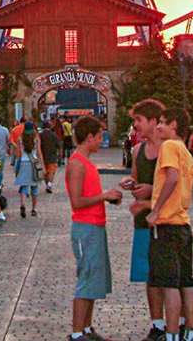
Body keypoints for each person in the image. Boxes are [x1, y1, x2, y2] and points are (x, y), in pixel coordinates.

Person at [65, 115, 122, 341]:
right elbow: (77, 202)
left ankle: (87, 329)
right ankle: (77, 333)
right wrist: (104, 196)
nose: (101, 140)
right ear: (88, 137)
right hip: (85, 227)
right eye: (99, 137)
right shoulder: (77, 164)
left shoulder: (86, 162)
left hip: (95, 225)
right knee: (87, 278)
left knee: (94, 280)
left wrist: (107, 198)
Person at [148, 107, 193, 341]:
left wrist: (155, 210)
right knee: (186, 282)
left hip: (167, 224)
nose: (158, 126)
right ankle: (190, 331)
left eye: (162, 122)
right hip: (183, 224)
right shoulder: (187, 153)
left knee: (169, 284)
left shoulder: (168, 146)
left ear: (174, 125)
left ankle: (171, 334)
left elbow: (172, 177)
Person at [125, 100, 168, 341]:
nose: (135, 126)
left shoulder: (169, 148)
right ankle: (157, 324)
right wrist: (131, 186)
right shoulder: (137, 151)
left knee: (169, 276)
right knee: (150, 277)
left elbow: (176, 186)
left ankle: (178, 323)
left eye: (139, 120)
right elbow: (135, 179)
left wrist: (150, 191)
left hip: (165, 220)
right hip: (142, 222)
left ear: (152, 121)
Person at [14, 121, 42, 217]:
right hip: (34, 164)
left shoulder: (20, 139)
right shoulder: (36, 139)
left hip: (24, 163)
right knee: (35, 187)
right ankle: (34, 209)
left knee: (24, 186)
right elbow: (38, 153)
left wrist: (16, 167)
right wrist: (43, 166)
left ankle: (23, 204)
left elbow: (17, 154)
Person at [40, 119, 62, 194]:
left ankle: (47, 185)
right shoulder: (53, 135)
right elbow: (59, 145)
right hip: (52, 155)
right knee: (51, 172)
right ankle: (49, 185)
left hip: (43, 156)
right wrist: (60, 154)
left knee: (45, 172)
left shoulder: (41, 135)